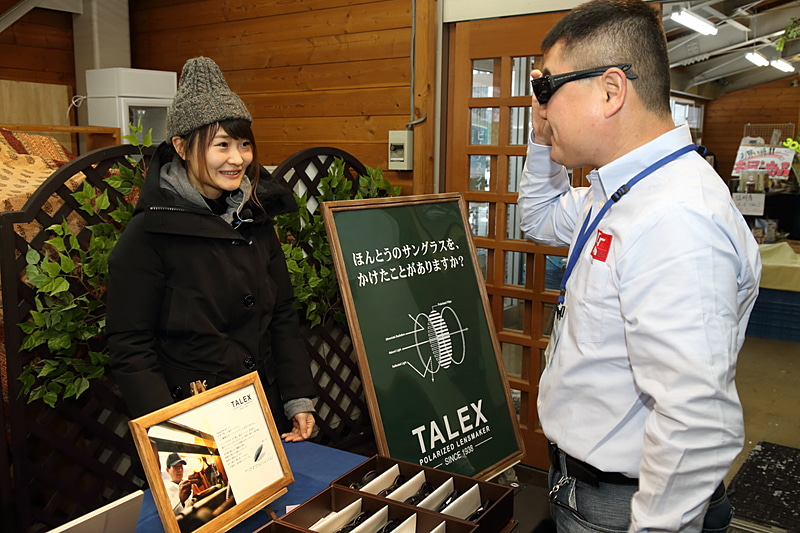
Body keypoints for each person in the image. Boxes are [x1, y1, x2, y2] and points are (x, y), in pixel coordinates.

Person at [517, 1, 762, 531]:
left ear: (610, 91)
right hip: (582, 489)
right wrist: (542, 136)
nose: (540, 107)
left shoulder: (675, 218)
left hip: (625, 508)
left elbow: (698, 423)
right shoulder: (620, 190)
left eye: (546, 89)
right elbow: (537, 218)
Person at [107, 56, 317, 442]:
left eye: (243, 144)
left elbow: (283, 313)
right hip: (193, 416)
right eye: (222, 145)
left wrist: (298, 396)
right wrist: (171, 432)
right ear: (182, 147)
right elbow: (130, 345)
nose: (237, 159)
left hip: (260, 408)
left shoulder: (255, 216)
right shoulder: (150, 232)